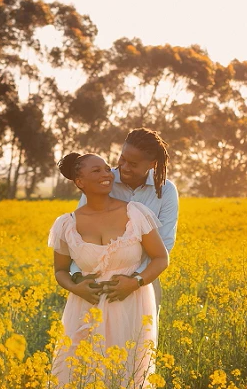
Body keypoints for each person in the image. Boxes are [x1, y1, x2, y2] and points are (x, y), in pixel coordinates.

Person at [8, 152, 170, 389]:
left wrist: (134, 281)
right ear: (80, 181)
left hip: (130, 305)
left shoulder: (135, 213)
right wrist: (76, 287)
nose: (107, 172)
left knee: (126, 375)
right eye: (96, 170)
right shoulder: (65, 224)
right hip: (83, 309)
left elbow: (161, 258)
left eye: (106, 167)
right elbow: (59, 270)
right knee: (74, 375)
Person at [70, 128, 179, 310]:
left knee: (139, 338)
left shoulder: (165, 190)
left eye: (133, 164)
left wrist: (134, 279)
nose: (124, 167)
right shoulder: (103, 181)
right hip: (95, 284)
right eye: (123, 159)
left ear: (151, 164)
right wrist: (78, 276)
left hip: (144, 281)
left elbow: (165, 242)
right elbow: (79, 232)